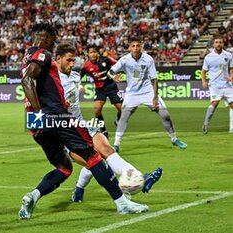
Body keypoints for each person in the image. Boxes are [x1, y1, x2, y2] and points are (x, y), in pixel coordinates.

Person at [18, 23, 149, 220]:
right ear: (45, 38)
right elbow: (27, 80)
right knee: (92, 156)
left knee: (64, 167)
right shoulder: (43, 54)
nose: (53, 47)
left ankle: (33, 196)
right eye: (53, 42)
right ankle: (122, 203)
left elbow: (30, 81)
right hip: (54, 115)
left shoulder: (27, 54)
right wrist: (40, 114)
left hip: (35, 123)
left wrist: (36, 118)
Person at [56, 43, 162, 202]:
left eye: (74, 60)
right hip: (63, 132)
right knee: (94, 162)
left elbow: (111, 70)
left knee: (106, 149)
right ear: (58, 59)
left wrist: (113, 76)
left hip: (81, 125)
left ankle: (140, 178)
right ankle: (80, 189)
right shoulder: (50, 80)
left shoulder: (74, 75)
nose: (72, 64)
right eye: (68, 60)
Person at [107, 37, 187, 152]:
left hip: (147, 91)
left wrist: (154, 97)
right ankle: (116, 145)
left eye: (138, 45)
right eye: (133, 46)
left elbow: (154, 79)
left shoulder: (148, 59)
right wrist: (114, 77)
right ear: (129, 47)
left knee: (165, 115)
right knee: (123, 117)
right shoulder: (124, 60)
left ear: (141, 47)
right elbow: (110, 72)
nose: (135, 48)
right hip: (132, 94)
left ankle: (174, 139)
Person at [80, 44, 123, 139]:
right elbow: (78, 77)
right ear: (87, 54)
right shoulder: (86, 66)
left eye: (94, 52)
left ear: (97, 52)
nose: (93, 54)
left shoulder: (106, 59)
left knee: (122, 109)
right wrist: (79, 85)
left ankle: (118, 120)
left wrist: (117, 74)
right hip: (100, 89)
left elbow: (119, 64)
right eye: (91, 52)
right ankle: (103, 130)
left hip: (111, 86)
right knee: (97, 109)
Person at [201, 35, 233, 134]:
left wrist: (231, 76)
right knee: (215, 103)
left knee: (232, 105)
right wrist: (204, 81)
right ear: (213, 44)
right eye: (217, 42)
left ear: (222, 43)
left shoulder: (228, 55)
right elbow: (203, 71)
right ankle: (206, 124)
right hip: (214, 85)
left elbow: (231, 68)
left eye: (220, 42)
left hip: (227, 84)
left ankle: (232, 128)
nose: (218, 44)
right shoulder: (208, 57)